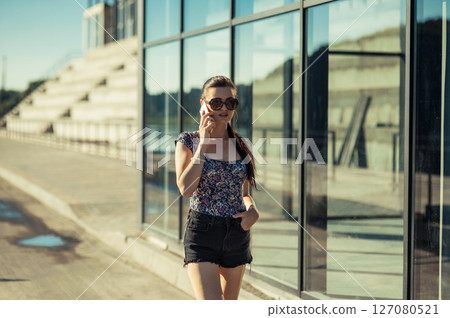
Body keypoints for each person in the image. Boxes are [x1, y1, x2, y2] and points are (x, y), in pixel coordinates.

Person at [174, 75, 259, 300]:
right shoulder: (187, 142)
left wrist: (252, 211)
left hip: (237, 233)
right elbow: (185, 189)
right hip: (203, 232)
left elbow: (244, 194)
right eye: (216, 102)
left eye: (230, 102)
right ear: (203, 104)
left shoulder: (243, 146)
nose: (224, 108)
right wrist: (203, 145)